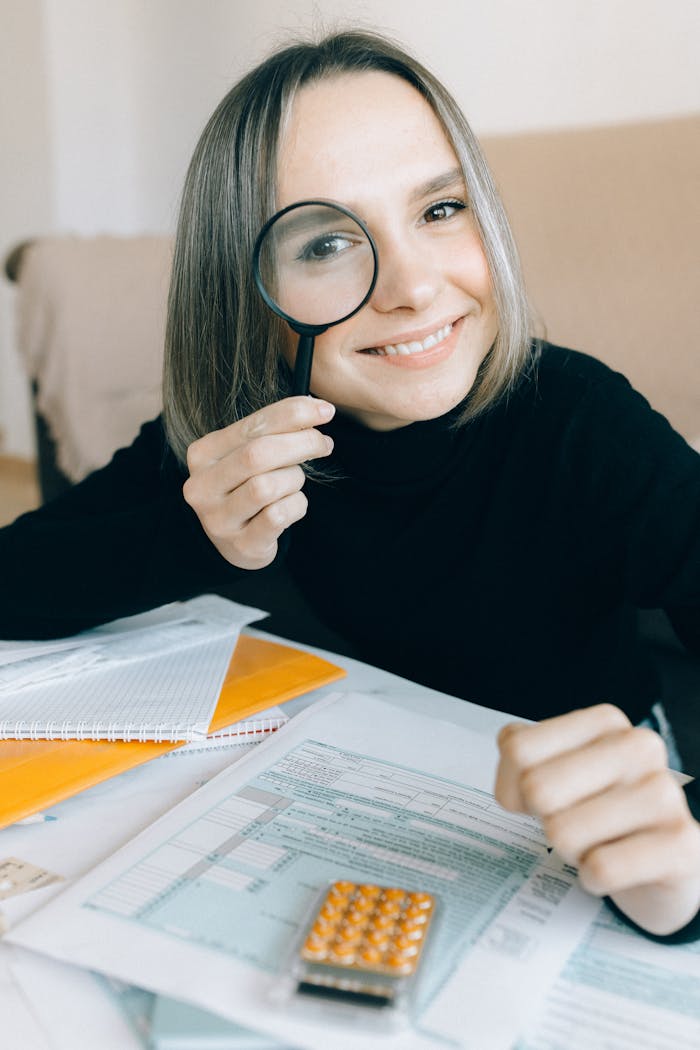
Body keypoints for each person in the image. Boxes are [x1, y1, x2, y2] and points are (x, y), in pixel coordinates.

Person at [1, 30, 699, 941]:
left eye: (440, 210)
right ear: (247, 289)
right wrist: (193, 533)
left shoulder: (582, 425)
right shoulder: (240, 436)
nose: (412, 286)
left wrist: (684, 871)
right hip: (337, 845)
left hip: (572, 854)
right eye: (329, 241)